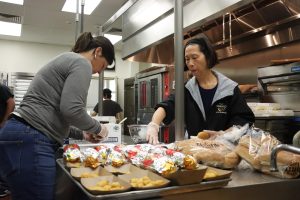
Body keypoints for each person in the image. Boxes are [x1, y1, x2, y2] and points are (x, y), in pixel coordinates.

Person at [0, 32, 115, 200]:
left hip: (19, 134)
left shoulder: (66, 59)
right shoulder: (82, 63)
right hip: (31, 138)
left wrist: (82, 133)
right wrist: (100, 128)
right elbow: (72, 110)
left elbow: (57, 117)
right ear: (97, 51)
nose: (98, 72)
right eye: (103, 66)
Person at [146, 36, 255, 144]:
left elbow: (243, 121)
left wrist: (222, 135)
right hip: (193, 151)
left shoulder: (229, 89)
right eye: (187, 59)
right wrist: (154, 124)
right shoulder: (187, 89)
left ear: (208, 57)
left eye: (194, 57)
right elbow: (167, 105)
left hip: (223, 151)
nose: (190, 63)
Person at [0, 83, 15, 197]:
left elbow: (11, 102)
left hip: (2, 128)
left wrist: (5, 121)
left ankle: (5, 187)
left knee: (3, 156)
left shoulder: (1, 88)